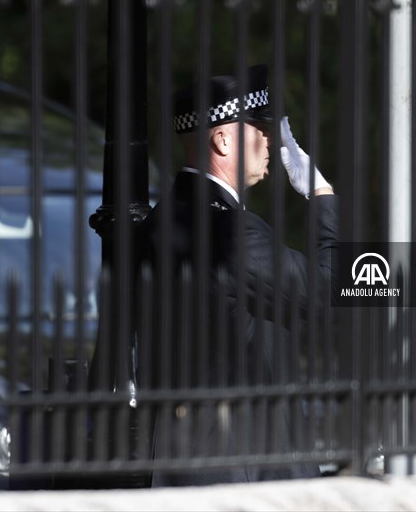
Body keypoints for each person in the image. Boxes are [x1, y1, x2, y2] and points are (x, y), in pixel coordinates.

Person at [135, 63, 337, 486]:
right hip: (243, 471)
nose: (271, 141)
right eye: (259, 128)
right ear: (223, 139)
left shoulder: (162, 218)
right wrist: (322, 196)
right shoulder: (228, 230)